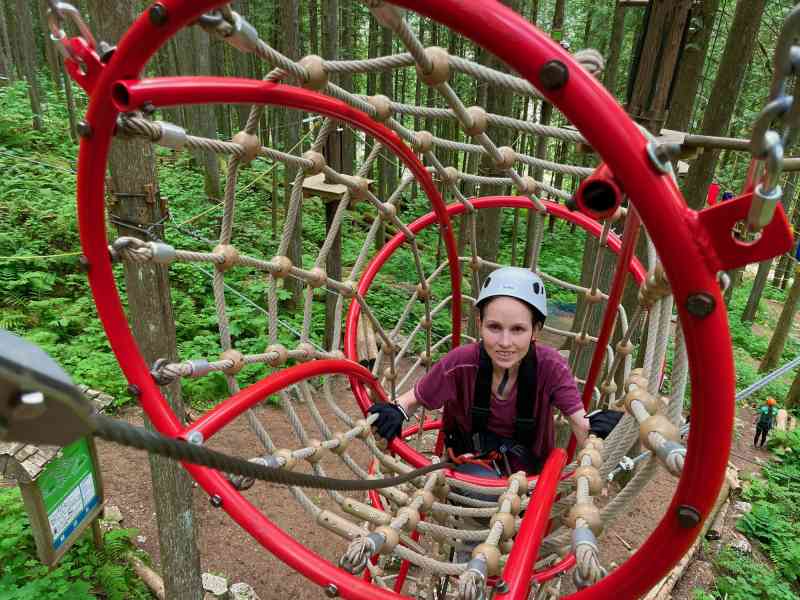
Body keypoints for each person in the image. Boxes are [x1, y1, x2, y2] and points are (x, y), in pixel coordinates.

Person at [368, 267, 590, 477]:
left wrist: (595, 455)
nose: (505, 342)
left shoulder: (550, 366)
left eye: (518, 329)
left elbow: (580, 421)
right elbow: (412, 399)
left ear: (535, 330)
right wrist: (397, 411)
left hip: (529, 476)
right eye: (494, 327)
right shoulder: (461, 363)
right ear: (480, 323)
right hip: (470, 465)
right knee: (485, 497)